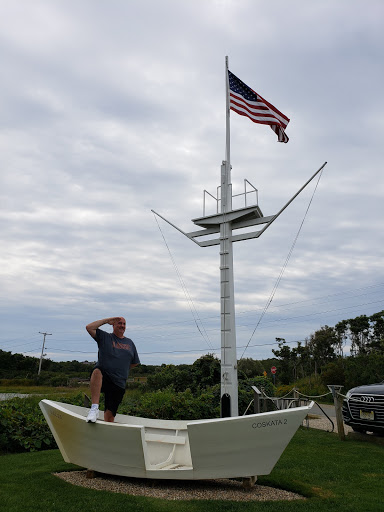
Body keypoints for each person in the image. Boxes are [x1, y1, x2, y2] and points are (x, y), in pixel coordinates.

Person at [85, 316, 140, 423]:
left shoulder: (130, 343)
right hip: (105, 376)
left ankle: (106, 433)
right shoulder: (105, 337)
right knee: (97, 370)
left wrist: (120, 367)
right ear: (113, 325)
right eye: (119, 323)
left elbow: (134, 362)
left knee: (110, 415)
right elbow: (89, 327)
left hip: (119, 382)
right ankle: (94, 408)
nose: (122, 326)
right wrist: (106, 321)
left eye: (124, 324)